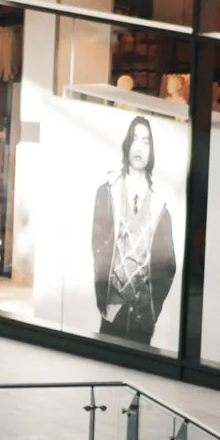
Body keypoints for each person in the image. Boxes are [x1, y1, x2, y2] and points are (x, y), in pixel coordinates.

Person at [90, 113, 178, 350]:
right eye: (135, 138)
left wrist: (152, 309)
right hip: (113, 302)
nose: (139, 146)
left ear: (152, 150)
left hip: (142, 312)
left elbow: (168, 265)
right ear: (127, 144)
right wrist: (104, 298)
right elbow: (98, 247)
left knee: (140, 370)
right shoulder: (108, 192)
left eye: (146, 141)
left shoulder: (161, 204)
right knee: (107, 363)